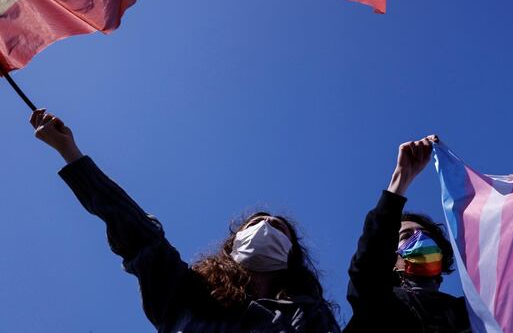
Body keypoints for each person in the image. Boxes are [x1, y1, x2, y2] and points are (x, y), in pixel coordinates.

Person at [30, 108, 340, 333]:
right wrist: (70, 153)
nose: (266, 227)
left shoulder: (309, 314)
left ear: (291, 254)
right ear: (233, 243)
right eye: (256, 223)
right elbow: (138, 233)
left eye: (277, 228)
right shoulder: (184, 292)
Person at [344, 135, 471, 333]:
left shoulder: (470, 314)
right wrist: (401, 178)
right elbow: (368, 268)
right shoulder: (378, 304)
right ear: (391, 259)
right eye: (406, 236)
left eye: (426, 234)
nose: (420, 238)